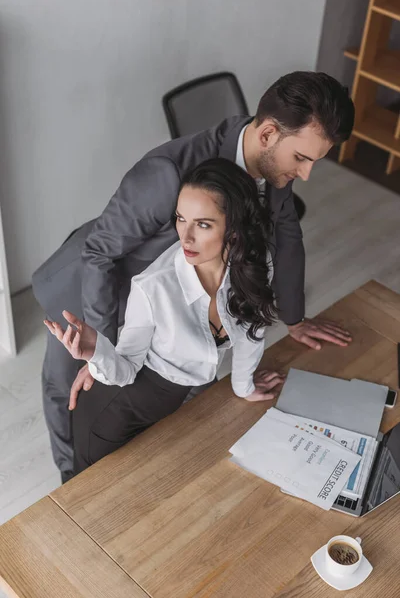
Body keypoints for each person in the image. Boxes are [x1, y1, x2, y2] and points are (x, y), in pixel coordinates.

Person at [33, 71, 355, 483]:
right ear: (269, 133)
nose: (306, 174)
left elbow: (287, 232)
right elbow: (100, 253)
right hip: (88, 291)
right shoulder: (166, 172)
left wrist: (294, 318)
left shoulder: (272, 166)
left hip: (172, 306)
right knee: (71, 396)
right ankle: (68, 485)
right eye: (302, 159)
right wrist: (103, 350)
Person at [45, 159, 287, 474]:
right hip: (116, 411)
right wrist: (96, 351)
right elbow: (127, 371)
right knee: (86, 499)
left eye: (202, 224)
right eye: (180, 218)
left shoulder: (255, 263)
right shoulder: (154, 288)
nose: (184, 238)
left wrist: (244, 386)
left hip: (173, 406)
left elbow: (250, 330)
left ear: (235, 226)